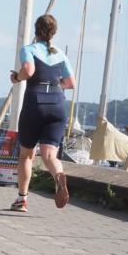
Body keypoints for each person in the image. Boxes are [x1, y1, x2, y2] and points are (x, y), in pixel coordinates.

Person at [8, 14, 75, 213]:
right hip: (57, 104)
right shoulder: (61, 54)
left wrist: (16, 77)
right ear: (53, 33)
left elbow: (28, 71)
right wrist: (55, 85)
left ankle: (22, 200)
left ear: (36, 30)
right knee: (49, 155)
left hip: (35, 104)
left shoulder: (29, 50)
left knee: (26, 155)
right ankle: (59, 176)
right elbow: (71, 83)